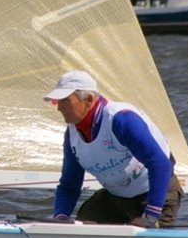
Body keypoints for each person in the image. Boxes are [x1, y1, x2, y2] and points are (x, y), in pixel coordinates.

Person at [44, 69, 181, 228]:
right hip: (116, 197)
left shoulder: (122, 120)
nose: (59, 108)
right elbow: (69, 184)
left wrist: (150, 217)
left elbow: (161, 164)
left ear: (88, 100)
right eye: (57, 101)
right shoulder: (72, 135)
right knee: (83, 225)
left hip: (156, 193)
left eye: (65, 101)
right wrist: (60, 219)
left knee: (145, 233)